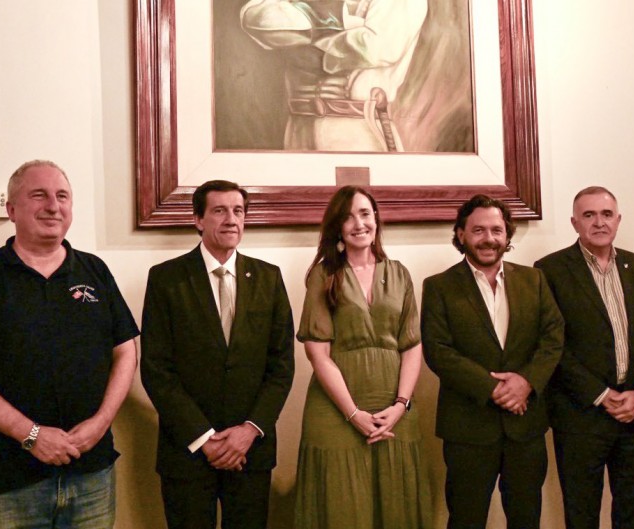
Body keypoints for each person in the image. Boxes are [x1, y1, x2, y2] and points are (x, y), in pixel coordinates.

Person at [0, 160, 139, 528]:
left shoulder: (95, 271)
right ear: (11, 210)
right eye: (39, 195)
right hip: (3, 486)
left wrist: (101, 422)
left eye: (62, 196)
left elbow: (126, 351)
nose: (53, 206)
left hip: (91, 479)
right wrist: (32, 435)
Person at [140, 180, 295, 529]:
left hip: (250, 451)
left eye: (238, 211)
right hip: (188, 451)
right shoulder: (166, 279)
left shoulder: (268, 278)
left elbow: (282, 366)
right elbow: (156, 369)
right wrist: (205, 439)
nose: (231, 219)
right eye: (220, 211)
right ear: (198, 219)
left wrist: (249, 431)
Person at [422, 194, 564, 529]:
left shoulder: (534, 280)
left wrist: (525, 382)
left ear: (507, 234)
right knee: (466, 519)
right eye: (479, 230)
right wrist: (495, 389)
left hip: (525, 426)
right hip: (468, 427)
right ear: (461, 234)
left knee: (526, 518)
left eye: (497, 230)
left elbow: (553, 337)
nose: (489, 239)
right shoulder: (439, 286)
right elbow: (438, 350)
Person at [295, 185, 431, 529]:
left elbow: (411, 345)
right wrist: (353, 413)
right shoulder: (324, 275)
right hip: (336, 408)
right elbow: (317, 353)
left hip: (394, 408)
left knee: (397, 505)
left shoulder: (399, 273)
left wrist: (401, 405)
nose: (359, 223)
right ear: (337, 227)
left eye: (365, 213)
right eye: (348, 217)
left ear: (376, 219)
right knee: (343, 507)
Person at [534, 186, 634, 529]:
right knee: (582, 513)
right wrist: (601, 394)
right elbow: (552, 345)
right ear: (574, 223)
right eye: (589, 215)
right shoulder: (549, 270)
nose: (599, 222)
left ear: (618, 220)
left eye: (606, 214)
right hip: (581, 415)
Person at [240, 0, 428, 151]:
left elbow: (379, 46)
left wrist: (318, 47)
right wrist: (325, 18)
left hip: (355, 128)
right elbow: (255, 17)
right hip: (299, 126)